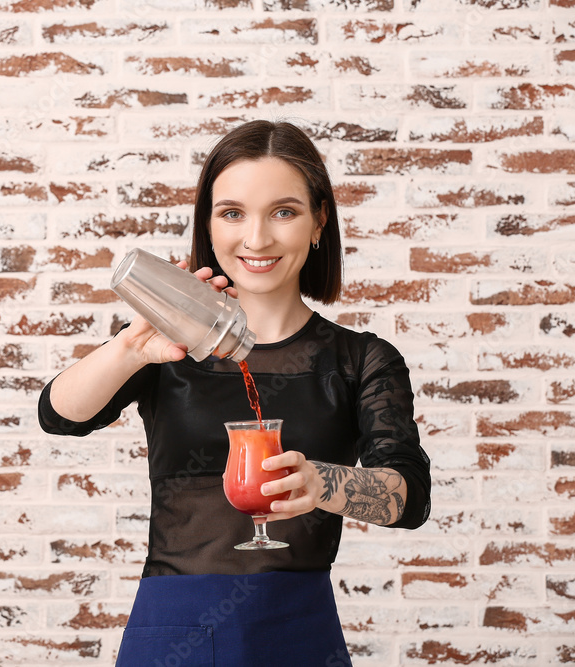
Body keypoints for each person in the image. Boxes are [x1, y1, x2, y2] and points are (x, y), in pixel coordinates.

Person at [38, 120, 432, 665]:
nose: (257, 238)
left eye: (284, 212)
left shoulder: (360, 359)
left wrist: (324, 482)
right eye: (232, 213)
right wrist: (132, 347)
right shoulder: (165, 350)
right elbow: (60, 416)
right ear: (208, 224)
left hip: (298, 631)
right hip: (172, 628)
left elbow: (409, 496)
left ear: (319, 221)